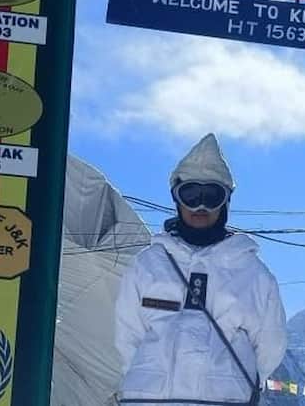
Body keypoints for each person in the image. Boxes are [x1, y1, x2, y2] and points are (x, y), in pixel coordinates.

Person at [114, 133, 287, 405]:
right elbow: (127, 336)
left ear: (225, 201)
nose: (201, 206)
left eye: (212, 196)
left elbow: (269, 349)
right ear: (177, 199)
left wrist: (225, 385)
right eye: (191, 195)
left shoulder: (254, 275)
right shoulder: (147, 265)